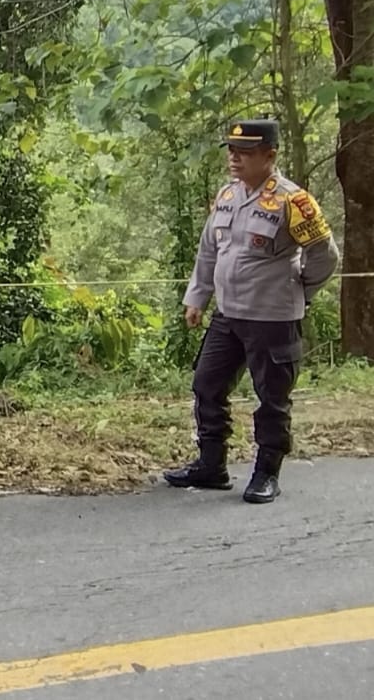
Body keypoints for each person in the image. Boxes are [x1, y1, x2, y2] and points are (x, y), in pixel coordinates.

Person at [164, 119, 339, 503]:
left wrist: (300, 290)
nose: (234, 158)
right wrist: (197, 298)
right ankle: (211, 465)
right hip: (228, 314)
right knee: (206, 385)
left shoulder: (294, 202)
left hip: (273, 317)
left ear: (269, 155)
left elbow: (325, 256)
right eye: (231, 150)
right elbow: (209, 250)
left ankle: (266, 473)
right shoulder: (227, 194)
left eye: (244, 152)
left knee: (272, 397)